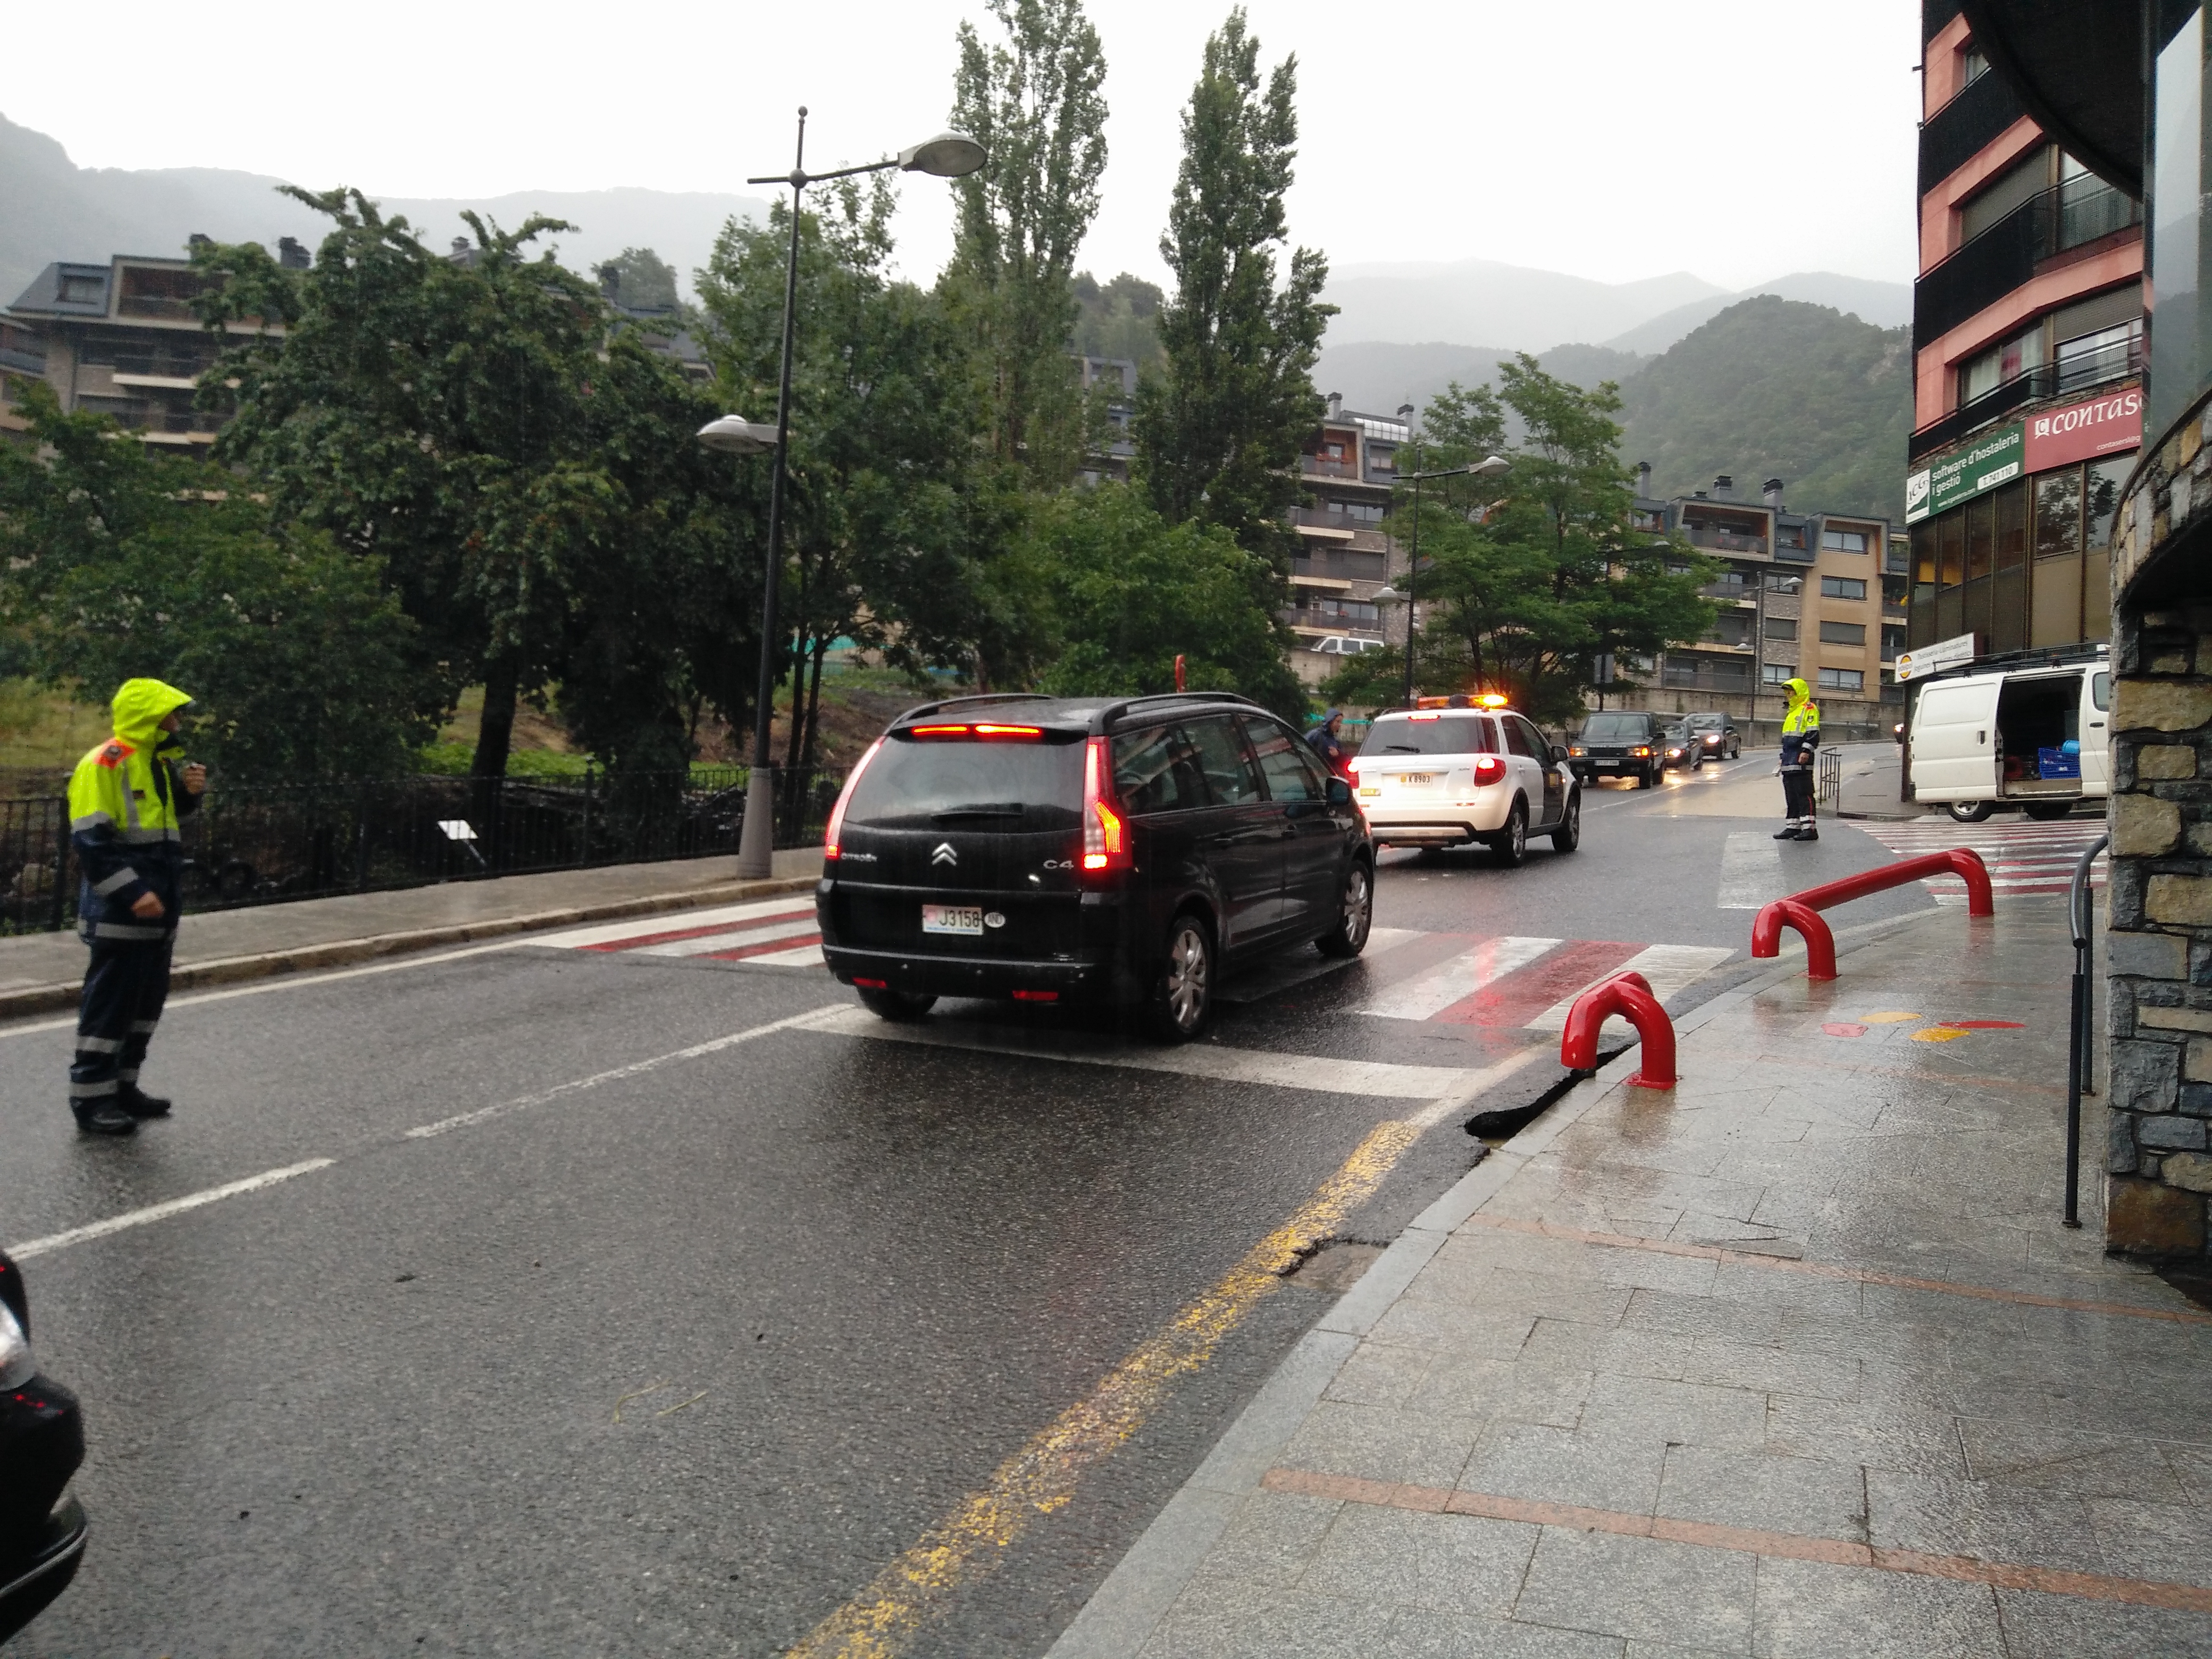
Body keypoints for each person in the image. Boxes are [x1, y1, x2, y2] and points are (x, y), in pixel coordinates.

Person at [65, 679, 204, 1136]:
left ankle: (124, 1088)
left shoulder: (156, 763)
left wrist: (188, 796)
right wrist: (133, 892)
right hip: (121, 914)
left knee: (144, 1008)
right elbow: (91, 842)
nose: (178, 721)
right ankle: (92, 1100)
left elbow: (163, 830)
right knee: (109, 1009)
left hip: (156, 913)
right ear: (151, 715)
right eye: (173, 712)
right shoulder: (106, 763)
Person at [1775, 676, 1822, 842]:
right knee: (1791, 794)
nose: (1788, 694)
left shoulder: (1809, 708)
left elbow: (1813, 732)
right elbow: (1787, 739)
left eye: (1791, 691)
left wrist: (1806, 751)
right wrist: (1783, 758)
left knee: (1804, 793)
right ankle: (1793, 826)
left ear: (1799, 692)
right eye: (1787, 692)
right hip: (1789, 758)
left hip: (1802, 757)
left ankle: (1809, 829)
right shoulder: (1792, 711)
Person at [1305, 707, 1351, 778]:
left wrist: (1338, 755)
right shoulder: (1315, 735)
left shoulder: (1335, 741)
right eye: (1337, 722)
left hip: (1329, 776)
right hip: (1314, 776)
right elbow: (1303, 750)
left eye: (1341, 722)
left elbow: (1345, 762)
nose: (1339, 725)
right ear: (1330, 721)